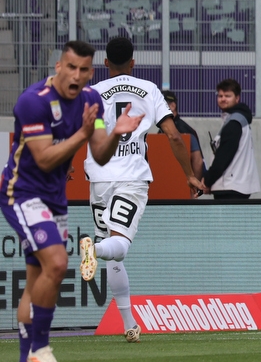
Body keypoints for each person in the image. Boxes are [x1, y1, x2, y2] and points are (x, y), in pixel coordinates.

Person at [3, 40, 143, 362]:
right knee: (57, 262)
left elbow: (100, 154)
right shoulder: (33, 103)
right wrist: (84, 131)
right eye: (71, 67)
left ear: (91, 72)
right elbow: (45, 158)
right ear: (58, 67)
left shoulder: (91, 100)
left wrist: (115, 134)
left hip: (54, 197)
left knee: (36, 278)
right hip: (21, 193)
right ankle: (41, 351)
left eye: (83, 70)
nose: (76, 75)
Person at [80, 37, 206, 343]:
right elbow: (174, 136)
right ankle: (91, 251)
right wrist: (189, 175)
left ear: (105, 63)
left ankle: (128, 323)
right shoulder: (149, 89)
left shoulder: (92, 92)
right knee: (118, 246)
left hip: (97, 177)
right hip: (130, 177)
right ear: (133, 63)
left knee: (115, 255)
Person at [204, 78, 261, 199]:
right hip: (237, 185)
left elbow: (224, 156)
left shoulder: (234, 122)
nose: (223, 99)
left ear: (237, 98)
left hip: (230, 186)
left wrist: (207, 180)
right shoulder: (237, 120)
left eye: (227, 96)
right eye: (220, 96)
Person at [161, 90, 205, 182]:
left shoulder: (184, 130)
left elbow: (198, 161)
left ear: (172, 106)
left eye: (160, 105)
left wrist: (194, 186)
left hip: (183, 186)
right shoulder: (162, 129)